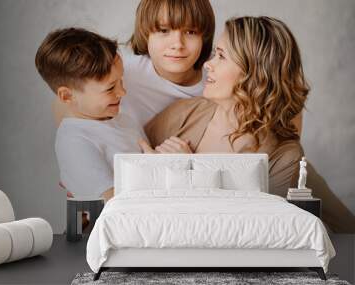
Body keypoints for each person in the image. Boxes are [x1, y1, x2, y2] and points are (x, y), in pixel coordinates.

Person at [141, 16, 355, 233]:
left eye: (221, 56)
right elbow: (134, 159)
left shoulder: (282, 157)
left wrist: (187, 174)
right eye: (215, 53)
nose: (208, 64)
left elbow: (248, 234)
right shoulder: (186, 113)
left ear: (253, 74)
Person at [53, 0, 216, 128]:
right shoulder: (123, 70)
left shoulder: (218, 74)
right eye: (164, 31)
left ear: (204, 36)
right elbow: (68, 104)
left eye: (190, 32)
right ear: (146, 34)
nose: (177, 44)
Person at [35, 28, 145, 201]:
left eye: (121, 81)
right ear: (67, 96)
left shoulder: (122, 120)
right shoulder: (75, 142)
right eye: (110, 88)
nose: (122, 92)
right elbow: (111, 203)